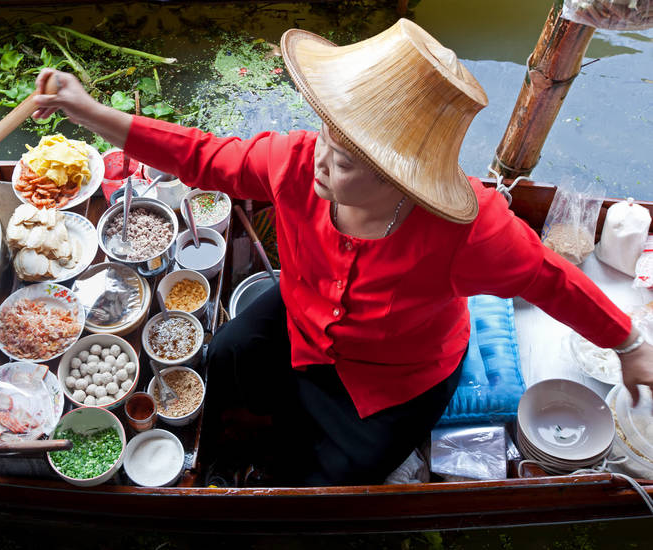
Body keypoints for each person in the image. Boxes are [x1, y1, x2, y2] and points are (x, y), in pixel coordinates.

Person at [33, 19, 653, 486]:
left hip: (399, 372)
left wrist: (628, 344)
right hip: (300, 315)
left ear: (400, 178)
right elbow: (203, 157)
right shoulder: (299, 161)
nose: (322, 160)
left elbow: (550, 280)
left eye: (348, 160)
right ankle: (219, 461)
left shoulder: (469, 229)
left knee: (340, 470)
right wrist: (87, 111)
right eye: (328, 136)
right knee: (225, 354)